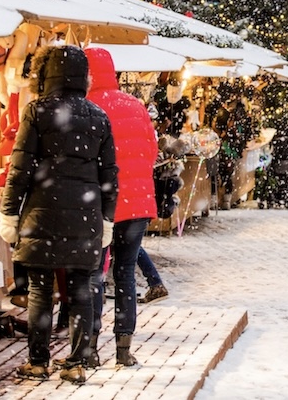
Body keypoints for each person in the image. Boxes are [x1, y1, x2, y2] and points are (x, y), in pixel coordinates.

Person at [0, 45, 118, 384]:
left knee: (39, 289)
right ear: (84, 77)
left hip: (41, 214)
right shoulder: (98, 116)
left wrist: (9, 213)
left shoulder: (37, 111)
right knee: (81, 289)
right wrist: (107, 218)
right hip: (86, 215)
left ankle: (38, 361)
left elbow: (19, 169)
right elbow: (110, 175)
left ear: (44, 74)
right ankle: (77, 362)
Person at [85, 47, 159, 369]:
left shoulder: (87, 108)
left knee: (95, 275)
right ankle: (123, 348)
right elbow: (152, 152)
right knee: (125, 272)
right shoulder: (136, 105)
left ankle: (89, 347)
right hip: (138, 201)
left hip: (102, 204)